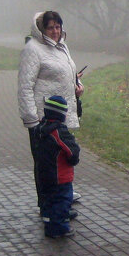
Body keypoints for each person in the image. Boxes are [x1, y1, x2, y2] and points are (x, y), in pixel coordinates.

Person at [18, 10, 84, 210]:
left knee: (62, 159)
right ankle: (47, 204)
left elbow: (66, 74)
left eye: (58, 26)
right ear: (41, 29)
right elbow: (25, 86)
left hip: (61, 116)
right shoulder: (33, 49)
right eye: (50, 27)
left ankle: (63, 197)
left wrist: (77, 85)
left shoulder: (62, 47)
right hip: (43, 119)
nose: (55, 31)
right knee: (45, 163)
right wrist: (33, 121)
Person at [34, 95, 80, 238]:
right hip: (60, 176)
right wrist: (74, 158)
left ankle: (49, 222)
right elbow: (72, 152)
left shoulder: (39, 129)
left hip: (44, 175)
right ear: (62, 115)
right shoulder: (60, 132)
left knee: (48, 201)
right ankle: (59, 228)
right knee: (62, 201)